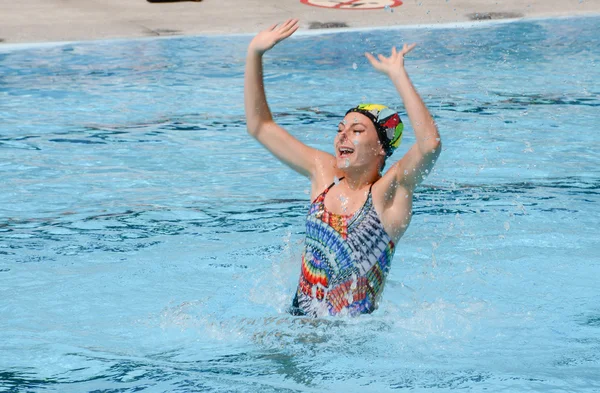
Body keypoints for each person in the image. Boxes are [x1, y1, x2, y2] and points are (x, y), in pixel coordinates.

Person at [244, 19, 441, 317]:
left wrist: (398, 76)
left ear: (381, 148)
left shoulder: (388, 195)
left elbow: (429, 145)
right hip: (296, 326)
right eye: (340, 129)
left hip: (352, 344)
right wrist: (254, 54)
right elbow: (260, 126)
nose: (343, 136)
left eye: (357, 130)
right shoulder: (323, 173)